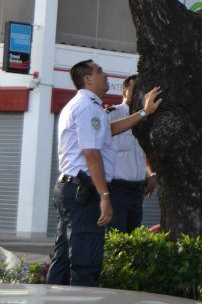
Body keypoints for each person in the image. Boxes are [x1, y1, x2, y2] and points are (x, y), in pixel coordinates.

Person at [47, 60, 162, 287]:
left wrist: (143, 112)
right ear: (88, 79)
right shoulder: (88, 107)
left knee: (63, 257)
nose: (106, 74)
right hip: (84, 191)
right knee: (85, 262)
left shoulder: (86, 105)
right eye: (99, 71)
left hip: (72, 188)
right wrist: (105, 196)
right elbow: (91, 154)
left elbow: (108, 130)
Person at [105, 74, 158, 233]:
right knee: (116, 238)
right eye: (134, 89)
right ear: (124, 92)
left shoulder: (148, 118)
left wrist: (152, 173)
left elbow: (145, 151)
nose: (138, 93)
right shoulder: (111, 115)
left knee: (132, 238)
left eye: (141, 90)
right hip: (117, 189)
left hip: (137, 190)